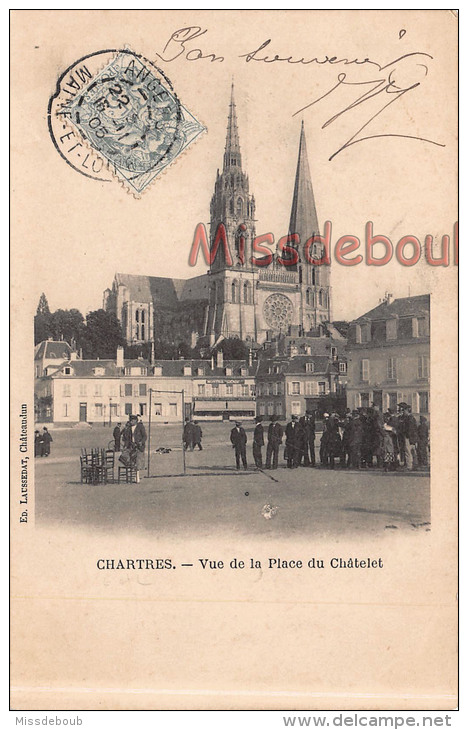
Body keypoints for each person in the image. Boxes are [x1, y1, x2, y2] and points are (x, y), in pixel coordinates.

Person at [122, 414, 147, 483]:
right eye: (130, 420)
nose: (131, 422)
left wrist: (141, 442)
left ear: (136, 421)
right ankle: (135, 475)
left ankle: (137, 477)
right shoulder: (129, 428)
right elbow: (126, 438)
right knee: (127, 459)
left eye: (132, 420)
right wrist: (125, 446)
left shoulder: (140, 427)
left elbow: (145, 436)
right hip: (131, 446)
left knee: (138, 461)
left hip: (139, 447)